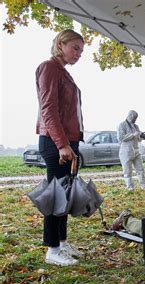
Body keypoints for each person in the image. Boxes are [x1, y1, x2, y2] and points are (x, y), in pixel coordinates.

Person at [36, 29, 85, 266]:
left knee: (65, 194)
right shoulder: (49, 68)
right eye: (75, 48)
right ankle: (52, 249)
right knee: (56, 196)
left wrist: (72, 143)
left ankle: (63, 243)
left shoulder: (63, 72)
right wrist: (63, 144)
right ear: (60, 43)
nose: (78, 54)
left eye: (81, 51)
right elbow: (49, 110)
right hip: (55, 143)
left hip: (68, 142)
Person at [117, 110, 145, 190]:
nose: (135, 119)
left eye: (136, 118)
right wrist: (133, 135)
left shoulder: (136, 126)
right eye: (134, 117)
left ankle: (144, 185)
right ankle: (130, 187)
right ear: (130, 116)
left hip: (136, 150)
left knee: (140, 169)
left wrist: (141, 136)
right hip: (126, 151)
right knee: (127, 171)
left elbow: (138, 140)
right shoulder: (121, 125)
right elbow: (120, 138)